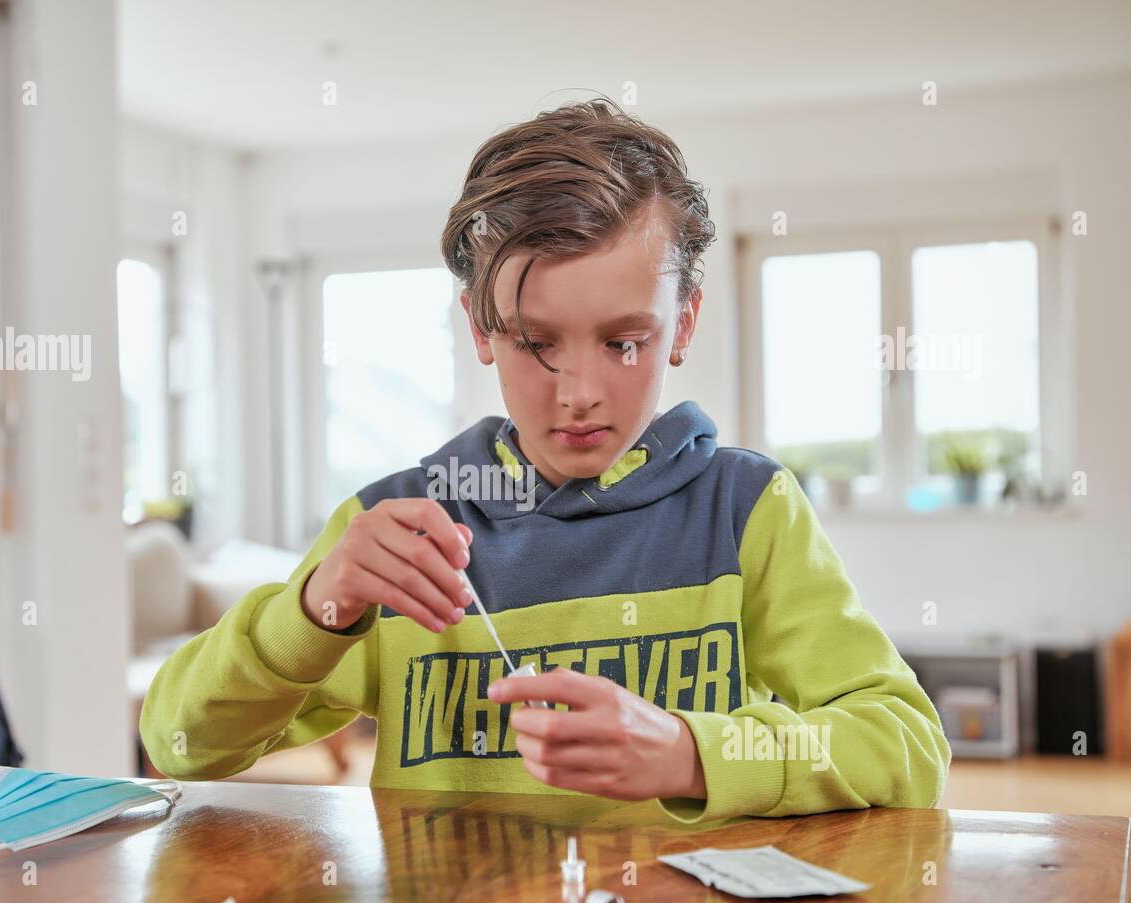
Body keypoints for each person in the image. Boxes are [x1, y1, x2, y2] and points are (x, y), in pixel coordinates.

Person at [140, 98, 951, 826]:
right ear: (481, 327)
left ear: (685, 322)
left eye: (624, 341)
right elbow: (180, 742)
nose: (580, 394)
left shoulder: (746, 510)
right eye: (537, 343)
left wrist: (691, 754)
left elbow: (908, 746)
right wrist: (316, 605)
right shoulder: (393, 533)